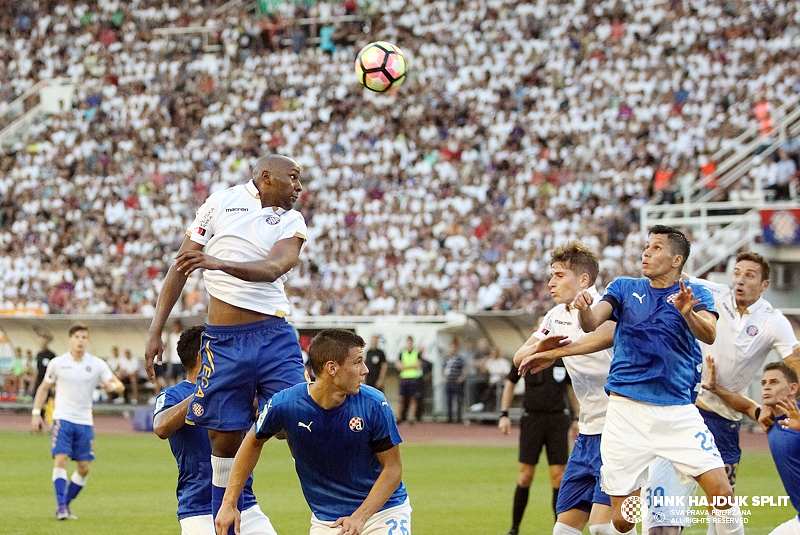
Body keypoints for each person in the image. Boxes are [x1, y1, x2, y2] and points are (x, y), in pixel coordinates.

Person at [144, 154, 308, 531]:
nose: (299, 187)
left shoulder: (292, 220)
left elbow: (273, 269)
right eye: (293, 178)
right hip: (224, 340)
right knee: (223, 438)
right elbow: (181, 265)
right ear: (267, 177)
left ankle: (334, 510)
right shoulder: (219, 202)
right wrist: (156, 330)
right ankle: (225, 519)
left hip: (274, 336)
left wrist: (219, 263)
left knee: (295, 421)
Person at [568, 225, 744, 535]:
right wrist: (583, 312)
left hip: (677, 412)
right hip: (626, 415)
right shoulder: (623, 287)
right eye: (646, 246)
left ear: (677, 260)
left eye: (656, 248)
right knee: (623, 521)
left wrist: (687, 312)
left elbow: (710, 333)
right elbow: (592, 322)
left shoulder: (696, 294)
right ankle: (649, 495)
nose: (646, 253)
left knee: (722, 493)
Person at [644, 251, 800, 533]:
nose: (740, 279)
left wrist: (780, 404)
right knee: (663, 506)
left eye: (749, 275)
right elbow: (678, 277)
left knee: (721, 514)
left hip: (725, 423)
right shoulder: (713, 293)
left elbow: (796, 363)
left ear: (764, 285)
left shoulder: (772, 320)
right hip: (686, 410)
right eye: (737, 272)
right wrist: (660, 256)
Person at [215, 329, 411, 535]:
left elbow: (393, 468)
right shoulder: (285, 404)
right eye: (357, 362)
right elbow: (252, 442)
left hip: (383, 512)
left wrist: (359, 517)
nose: (365, 370)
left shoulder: (374, 403)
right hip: (327, 520)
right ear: (332, 368)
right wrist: (229, 503)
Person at [511, 241, 614, 535]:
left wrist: (551, 353)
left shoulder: (609, 306)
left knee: (607, 527)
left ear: (583, 279)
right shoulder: (556, 316)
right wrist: (541, 347)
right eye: (551, 275)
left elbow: (600, 338)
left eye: (558, 275)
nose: (550, 282)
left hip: (620, 430)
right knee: (564, 530)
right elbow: (520, 358)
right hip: (588, 432)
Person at [153, 325, 278, 535]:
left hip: (243, 504)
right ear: (204, 355)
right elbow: (161, 427)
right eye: (222, 350)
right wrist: (204, 391)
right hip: (199, 510)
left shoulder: (236, 392)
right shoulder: (174, 394)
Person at [30, 324, 125, 520]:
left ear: (87, 341)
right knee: (61, 459)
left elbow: (120, 386)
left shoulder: (97, 364)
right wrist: (35, 413)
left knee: (84, 467)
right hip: (62, 419)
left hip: (84, 421)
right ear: (70, 339)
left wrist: (112, 386)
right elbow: (43, 388)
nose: (81, 340)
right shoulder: (57, 363)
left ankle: (64, 504)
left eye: (84, 337)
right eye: (77, 337)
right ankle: (62, 506)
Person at [702, 358, 800, 535]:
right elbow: (745, 405)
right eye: (763, 383)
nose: (766, 387)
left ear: (793, 388)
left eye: (774, 382)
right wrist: (714, 387)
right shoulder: (768, 420)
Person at [499, 341, 577, 534]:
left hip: (557, 420)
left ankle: (559, 529)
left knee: (558, 477)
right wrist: (504, 414)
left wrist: (577, 418)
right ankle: (514, 528)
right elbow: (510, 383)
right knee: (525, 476)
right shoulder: (525, 355)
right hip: (532, 420)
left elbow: (571, 389)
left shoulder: (562, 358)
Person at [395, 336, 423, 424]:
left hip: (414, 378)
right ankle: (399, 416)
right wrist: (411, 365)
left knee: (413, 398)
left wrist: (405, 366)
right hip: (404, 378)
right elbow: (399, 366)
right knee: (401, 398)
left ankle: (411, 416)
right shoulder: (402, 352)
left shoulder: (416, 352)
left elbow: (418, 365)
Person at [442, 338, 467, 423]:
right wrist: (443, 378)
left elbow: (464, 369)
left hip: (456, 382)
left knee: (458, 400)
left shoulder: (460, 359)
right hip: (449, 381)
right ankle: (449, 417)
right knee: (449, 400)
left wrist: (461, 377)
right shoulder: (446, 359)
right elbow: (443, 368)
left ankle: (459, 417)